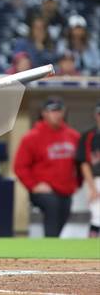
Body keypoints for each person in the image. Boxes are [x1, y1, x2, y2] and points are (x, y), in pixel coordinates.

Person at [14, 96, 80, 237]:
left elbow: (81, 162)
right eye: (52, 111)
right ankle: (51, 249)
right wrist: (34, 185)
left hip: (65, 189)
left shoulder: (73, 135)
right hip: (43, 190)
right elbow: (20, 167)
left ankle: (53, 242)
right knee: (52, 207)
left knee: (63, 215)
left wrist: (77, 183)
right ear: (44, 113)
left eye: (59, 111)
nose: (57, 114)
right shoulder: (32, 137)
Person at [76, 101, 100, 237]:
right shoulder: (89, 136)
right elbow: (84, 163)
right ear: (96, 115)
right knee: (97, 216)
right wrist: (92, 188)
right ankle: (92, 248)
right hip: (95, 179)